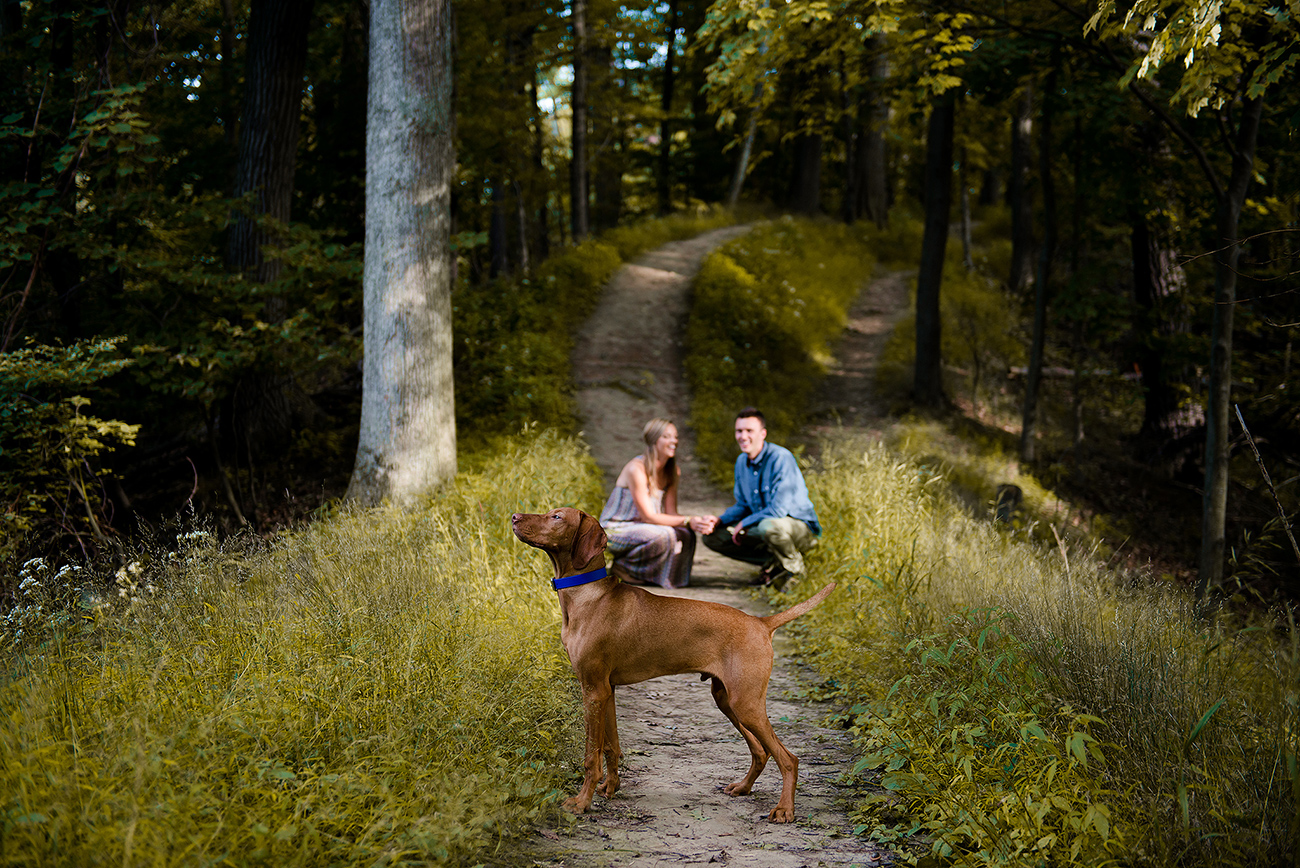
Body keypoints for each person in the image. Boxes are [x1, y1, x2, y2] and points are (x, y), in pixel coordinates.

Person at [694, 407, 820, 588]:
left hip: (797, 528)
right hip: (766, 527)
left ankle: (796, 573)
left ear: (763, 434)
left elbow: (778, 510)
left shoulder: (780, 458)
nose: (743, 436)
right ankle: (774, 563)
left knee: (768, 526)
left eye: (749, 431)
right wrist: (719, 520)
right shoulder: (741, 462)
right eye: (739, 431)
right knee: (713, 537)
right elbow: (743, 506)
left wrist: (744, 523)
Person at [598, 418, 701, 588]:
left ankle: (665, 578)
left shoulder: (672, 471)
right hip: (616, 529)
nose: (674, 441)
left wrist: (696, 522)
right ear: (654, 440)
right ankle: (624, 567)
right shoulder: (636, 468)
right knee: (664, 535)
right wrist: (689, 520)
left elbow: (671, 513)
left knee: (685, 534)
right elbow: (648, 516)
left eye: (675, 437)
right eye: (667, 437)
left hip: (644, 527)